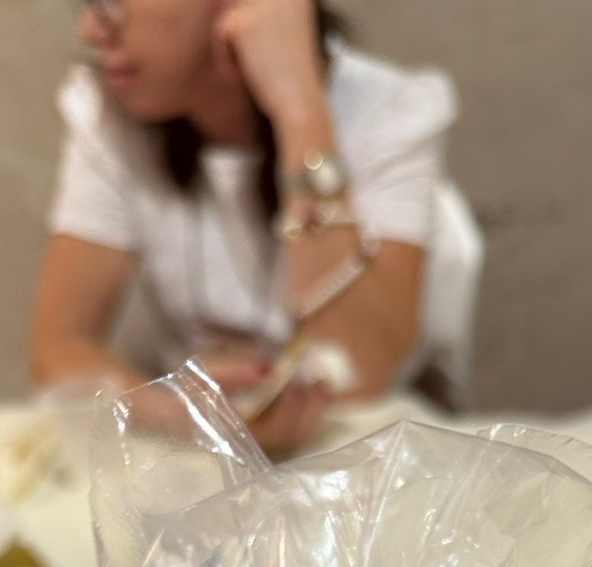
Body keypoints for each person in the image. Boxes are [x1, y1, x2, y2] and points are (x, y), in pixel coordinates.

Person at [30, 0, 460, 455]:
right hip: (198, 460)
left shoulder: (388, 110)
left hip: (360, 454)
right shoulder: (108, 110)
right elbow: (58, 348)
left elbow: (360, 371)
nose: (91, 30)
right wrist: (187, 415)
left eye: (111, 5)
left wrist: (300, 110)